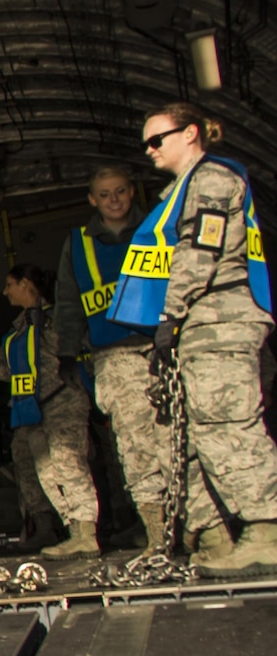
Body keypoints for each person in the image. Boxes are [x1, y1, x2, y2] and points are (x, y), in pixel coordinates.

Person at [109, 103, 277, 575]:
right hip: (201, 323)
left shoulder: (212, 181)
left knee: (229, 423)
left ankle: (267, 527)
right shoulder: (180, 190)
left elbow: (199, 253)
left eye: (157, 139)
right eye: (145, 143)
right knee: (203, 428)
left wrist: (170, 312)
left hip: (219, 317)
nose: (149, 150)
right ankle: (226, 535)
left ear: (191, 134)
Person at [53, 164, 170, 553]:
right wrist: (67, 353)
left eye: (120, 191)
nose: (114, 200)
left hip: (164, 348)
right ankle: (158, 534)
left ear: (131, 192)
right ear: (93, 199)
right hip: (114, 356)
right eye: (105, 194)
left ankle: (200, 530)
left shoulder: (157, 229)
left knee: (177, 442)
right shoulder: (79, 243)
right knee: (136, 446)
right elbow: (68, 303)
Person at [0, 263, 100, 557]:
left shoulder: (60, 316)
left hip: (63, 400)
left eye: (10, 284)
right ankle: (69, 528)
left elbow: (81, 351)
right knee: (45, 470)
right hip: (33, 410)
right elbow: (8, 371)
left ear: (25, 284)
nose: (5, 291)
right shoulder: (17, 331)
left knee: (69, 464)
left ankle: (87, 533)